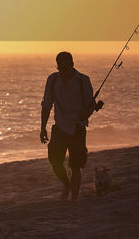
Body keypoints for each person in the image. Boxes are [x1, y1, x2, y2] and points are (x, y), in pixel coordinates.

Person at [39, 51, 102, 200]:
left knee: (75, 166)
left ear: (72, 64)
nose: (64, 72)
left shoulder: (83, 80)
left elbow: (90, 106)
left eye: (67, 68)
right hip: (59, 127)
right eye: (61, 69)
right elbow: (46, 105)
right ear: (57, 67)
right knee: (54, 162)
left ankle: (74, 199)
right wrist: (42, 128)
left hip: (77, 128)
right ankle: (67, 184)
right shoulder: (52, 80)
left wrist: (87, 113)